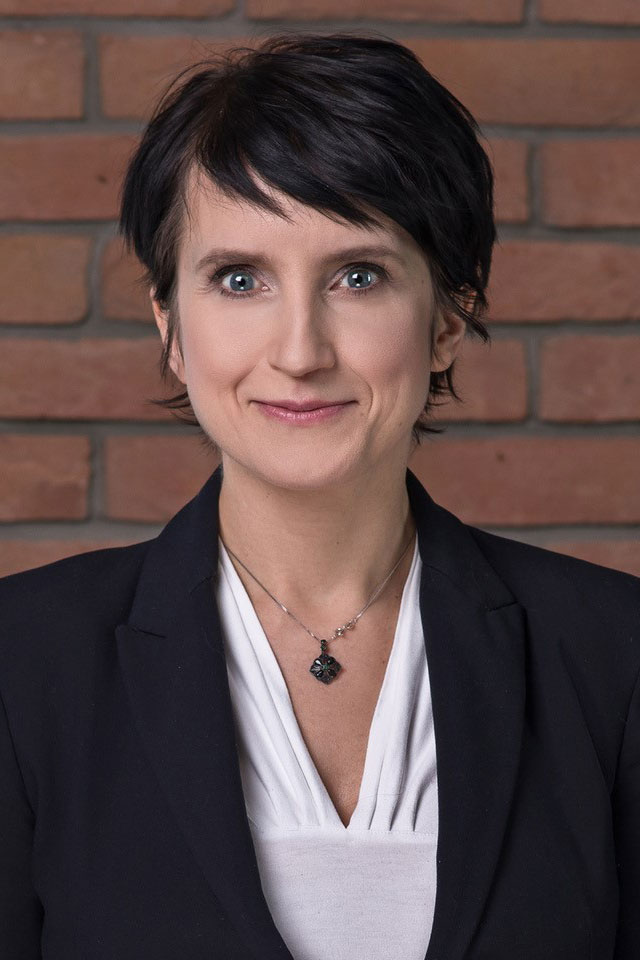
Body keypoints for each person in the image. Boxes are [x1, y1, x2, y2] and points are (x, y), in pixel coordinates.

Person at [0, 31, 638, 960]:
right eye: (240, 279)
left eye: (358, 276)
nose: (300, 352)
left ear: (447, 319)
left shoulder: (615, 657)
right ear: (171, 327)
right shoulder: (22, 664)